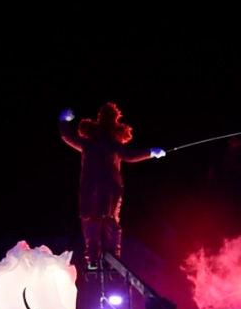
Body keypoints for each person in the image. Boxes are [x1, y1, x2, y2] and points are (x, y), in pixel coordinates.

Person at [58, 104, 164, 268]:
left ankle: (93, 258)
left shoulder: (89, 144)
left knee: (92, 222)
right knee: (111, 222)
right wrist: (151, 152)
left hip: (91, 190)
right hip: (108, 190)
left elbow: (68, 136)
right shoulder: (113, 145)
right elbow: (130, 156)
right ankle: (111, 259)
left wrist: (63, 120)